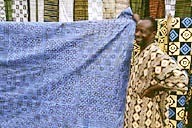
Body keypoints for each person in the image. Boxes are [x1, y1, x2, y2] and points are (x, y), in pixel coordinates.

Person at [123, 15, 189, 128]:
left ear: (153, 34)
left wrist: (153, 88)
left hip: (146, 116)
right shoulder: (142, 52)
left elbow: (182, 79)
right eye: (136, 30)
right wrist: (137, 19)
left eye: (142, 32)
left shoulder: (156, 55)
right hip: (133, 114)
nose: (137, 34)